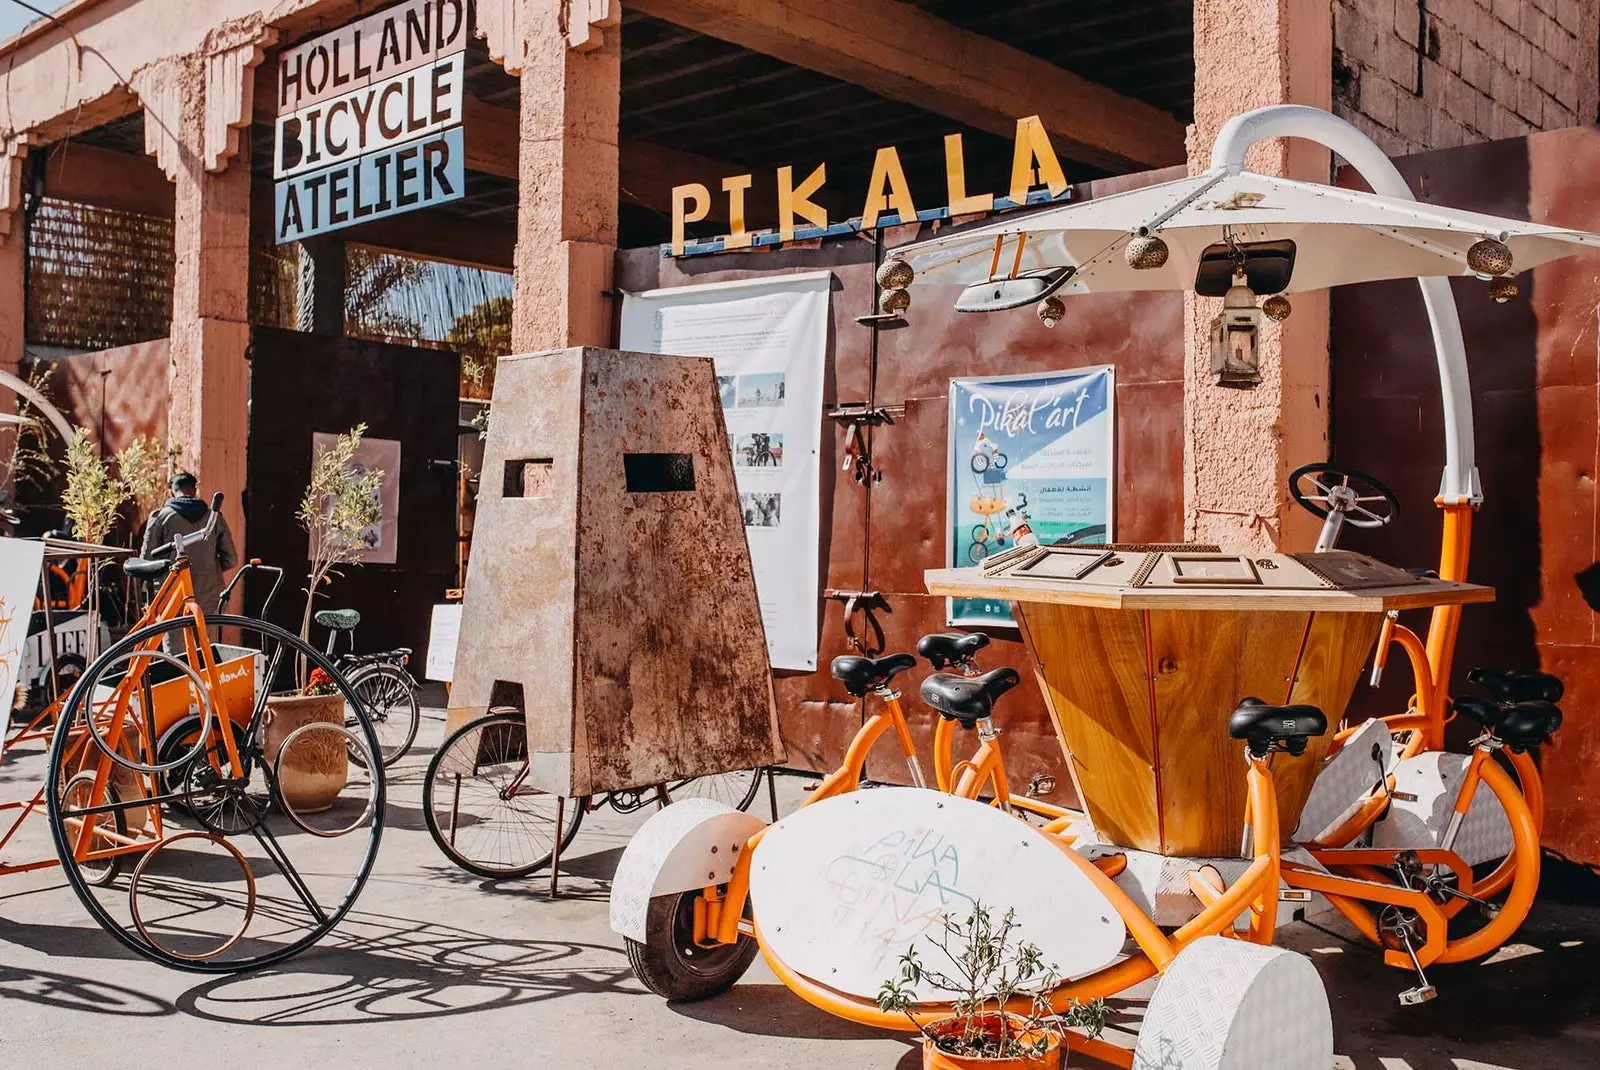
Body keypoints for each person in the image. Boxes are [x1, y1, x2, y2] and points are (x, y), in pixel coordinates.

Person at [141, 472, 237, 618]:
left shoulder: (160, 517)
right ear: (194, 490)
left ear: (171, 493)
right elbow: (231, 559)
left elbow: (147, 560)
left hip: (171, 594)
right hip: (208, 595)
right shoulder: (214, 518)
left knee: (173, 639)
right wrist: (210, 570)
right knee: (205, 639)